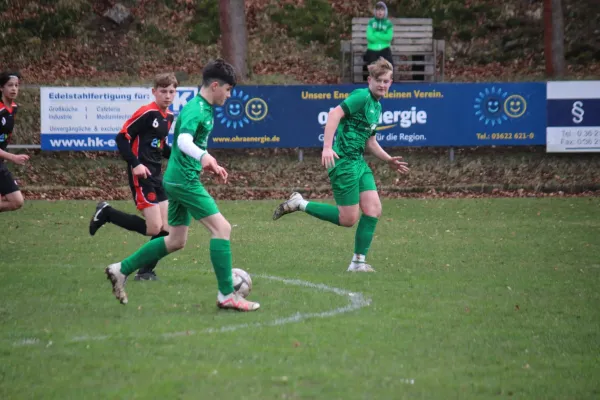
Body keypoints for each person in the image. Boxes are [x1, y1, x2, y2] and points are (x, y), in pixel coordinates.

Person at [105, 58, 260, 311]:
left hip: (179, 178)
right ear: (216, 85)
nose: (230, 95)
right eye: (228, 90)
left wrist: (208, 162)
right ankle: (226, 295)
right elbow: (185, 141)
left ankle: (120, 269)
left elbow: (185, 145)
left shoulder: (203, 108)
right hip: (184, 180)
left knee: (176, 239)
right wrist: (204, 156)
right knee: (222, 229)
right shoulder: (197, 109)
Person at [273, 57, 409, 272]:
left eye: (387, 81)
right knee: (348, 219)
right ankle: (300, 203)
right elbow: (334, 114)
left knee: (373, 209)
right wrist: (327, 147)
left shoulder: (376, 106)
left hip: (358, 162)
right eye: (379, 80)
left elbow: (370, 141)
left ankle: (358, 262)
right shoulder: (362, 97)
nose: (383, 85)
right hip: (343, 162)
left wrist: (388, 160)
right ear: (370, 80)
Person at [89, 73, 177, 281]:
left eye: (171, 91)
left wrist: (186, 158)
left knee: (168, 229)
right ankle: (107, 213)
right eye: (163, 91)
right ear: (154, 92)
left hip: (157, 176)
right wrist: (135, 164)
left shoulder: (169, 117)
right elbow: (121, 138)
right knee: (154, 228)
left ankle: (145, 271)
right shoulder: (146, 113)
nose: (167, 95)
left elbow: (160, 146)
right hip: (142, 174)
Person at [0, 71, 29, 213]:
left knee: (16, 202)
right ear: (1, 88)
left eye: (16, 85)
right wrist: (13, 157)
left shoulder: (13, 109)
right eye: (10, 85)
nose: (14, 89)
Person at [363, 2, 394, 81]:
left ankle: (387, 82)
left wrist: (376, 34)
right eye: (378, 10)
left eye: (382, 10)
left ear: (385, 11)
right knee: (372, 65)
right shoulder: (371, 22)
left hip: (385, 48)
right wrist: (382, 35)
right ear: (375, 11)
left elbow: (389, 38)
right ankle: (373, 83)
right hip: (372, 48)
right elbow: (370, 37)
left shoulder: (388, 23)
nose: (380, 12)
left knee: (389, 65)